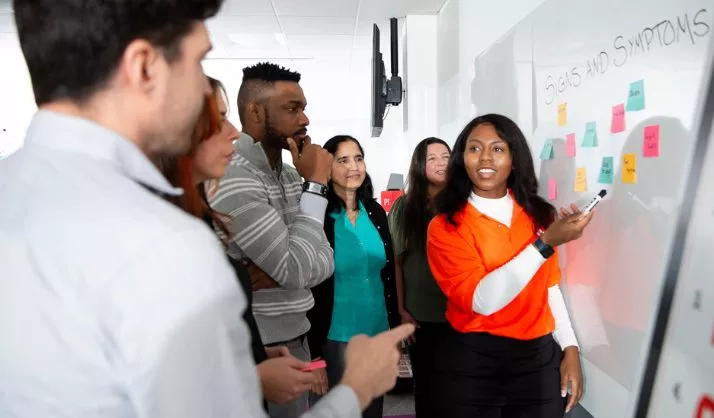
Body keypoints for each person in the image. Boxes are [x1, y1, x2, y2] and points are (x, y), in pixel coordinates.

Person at [0, 0, 415, 416]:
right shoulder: (167, 244)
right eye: (198, 63)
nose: (209, 97)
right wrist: (355, 390)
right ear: (144, 68)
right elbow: (296, 270)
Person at [427, 114, 592, 418]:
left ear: (515, 159)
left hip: (538, 361)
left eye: (498, 149)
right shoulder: (445, 226)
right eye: (474, 149)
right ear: (462, 159)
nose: (485, 158)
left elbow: (550, 287)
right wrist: (544, 244)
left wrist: (570, 347)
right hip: (474, 362)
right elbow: (482, 300)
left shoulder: (540, 215)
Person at [208, 61, 334, 416]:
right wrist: (317, 187)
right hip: (257, 347)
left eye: (304, 108)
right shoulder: (233, 177)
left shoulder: (294, 177)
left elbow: (324, 261)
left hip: (296, 340)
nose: (304, 119)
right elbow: (297, 268)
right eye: (292, 109)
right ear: (255, 111)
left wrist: (291, 262)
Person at [307, 135, 400, 418]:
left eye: (358, 158)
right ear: (328, 166)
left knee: (373, 411)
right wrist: (314, 356)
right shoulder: (317, 214)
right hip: (336, 337)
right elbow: (309, 284)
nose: (354, 167)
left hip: (377, 333)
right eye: (343, 160)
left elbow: (387, 273)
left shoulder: (374, 211)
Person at [387, 137, 451, 417]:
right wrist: (401, 311)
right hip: (421, 316)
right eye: (432, 158)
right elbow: (396, 264)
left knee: (458, 388)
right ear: (419, 165)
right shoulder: (405, 207)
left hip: (460, 314)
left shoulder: (462, 204)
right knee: (426, 388)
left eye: (445, 156)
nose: (440, 163)